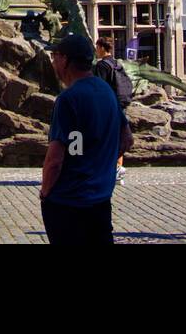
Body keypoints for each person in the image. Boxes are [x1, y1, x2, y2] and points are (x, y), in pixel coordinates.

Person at [40, 34, 133, 245]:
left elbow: (55, 160)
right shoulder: (106, 91)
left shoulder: (68, 99)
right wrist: (101, 164)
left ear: (65, 59)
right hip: (100, 199)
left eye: (55, 56)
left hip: (68, 202)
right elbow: (127, 139)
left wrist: (45, 192)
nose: (53, 63)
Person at [92, 37, 131, 183]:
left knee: (104, 140)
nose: (96, 50)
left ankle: (113, 170)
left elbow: (99, 88)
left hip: (108, 107)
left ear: (102, 48)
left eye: (97, 47)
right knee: (117, 140)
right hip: (121, 106)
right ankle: (117, 172)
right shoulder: (117, 64)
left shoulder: (102, 65)